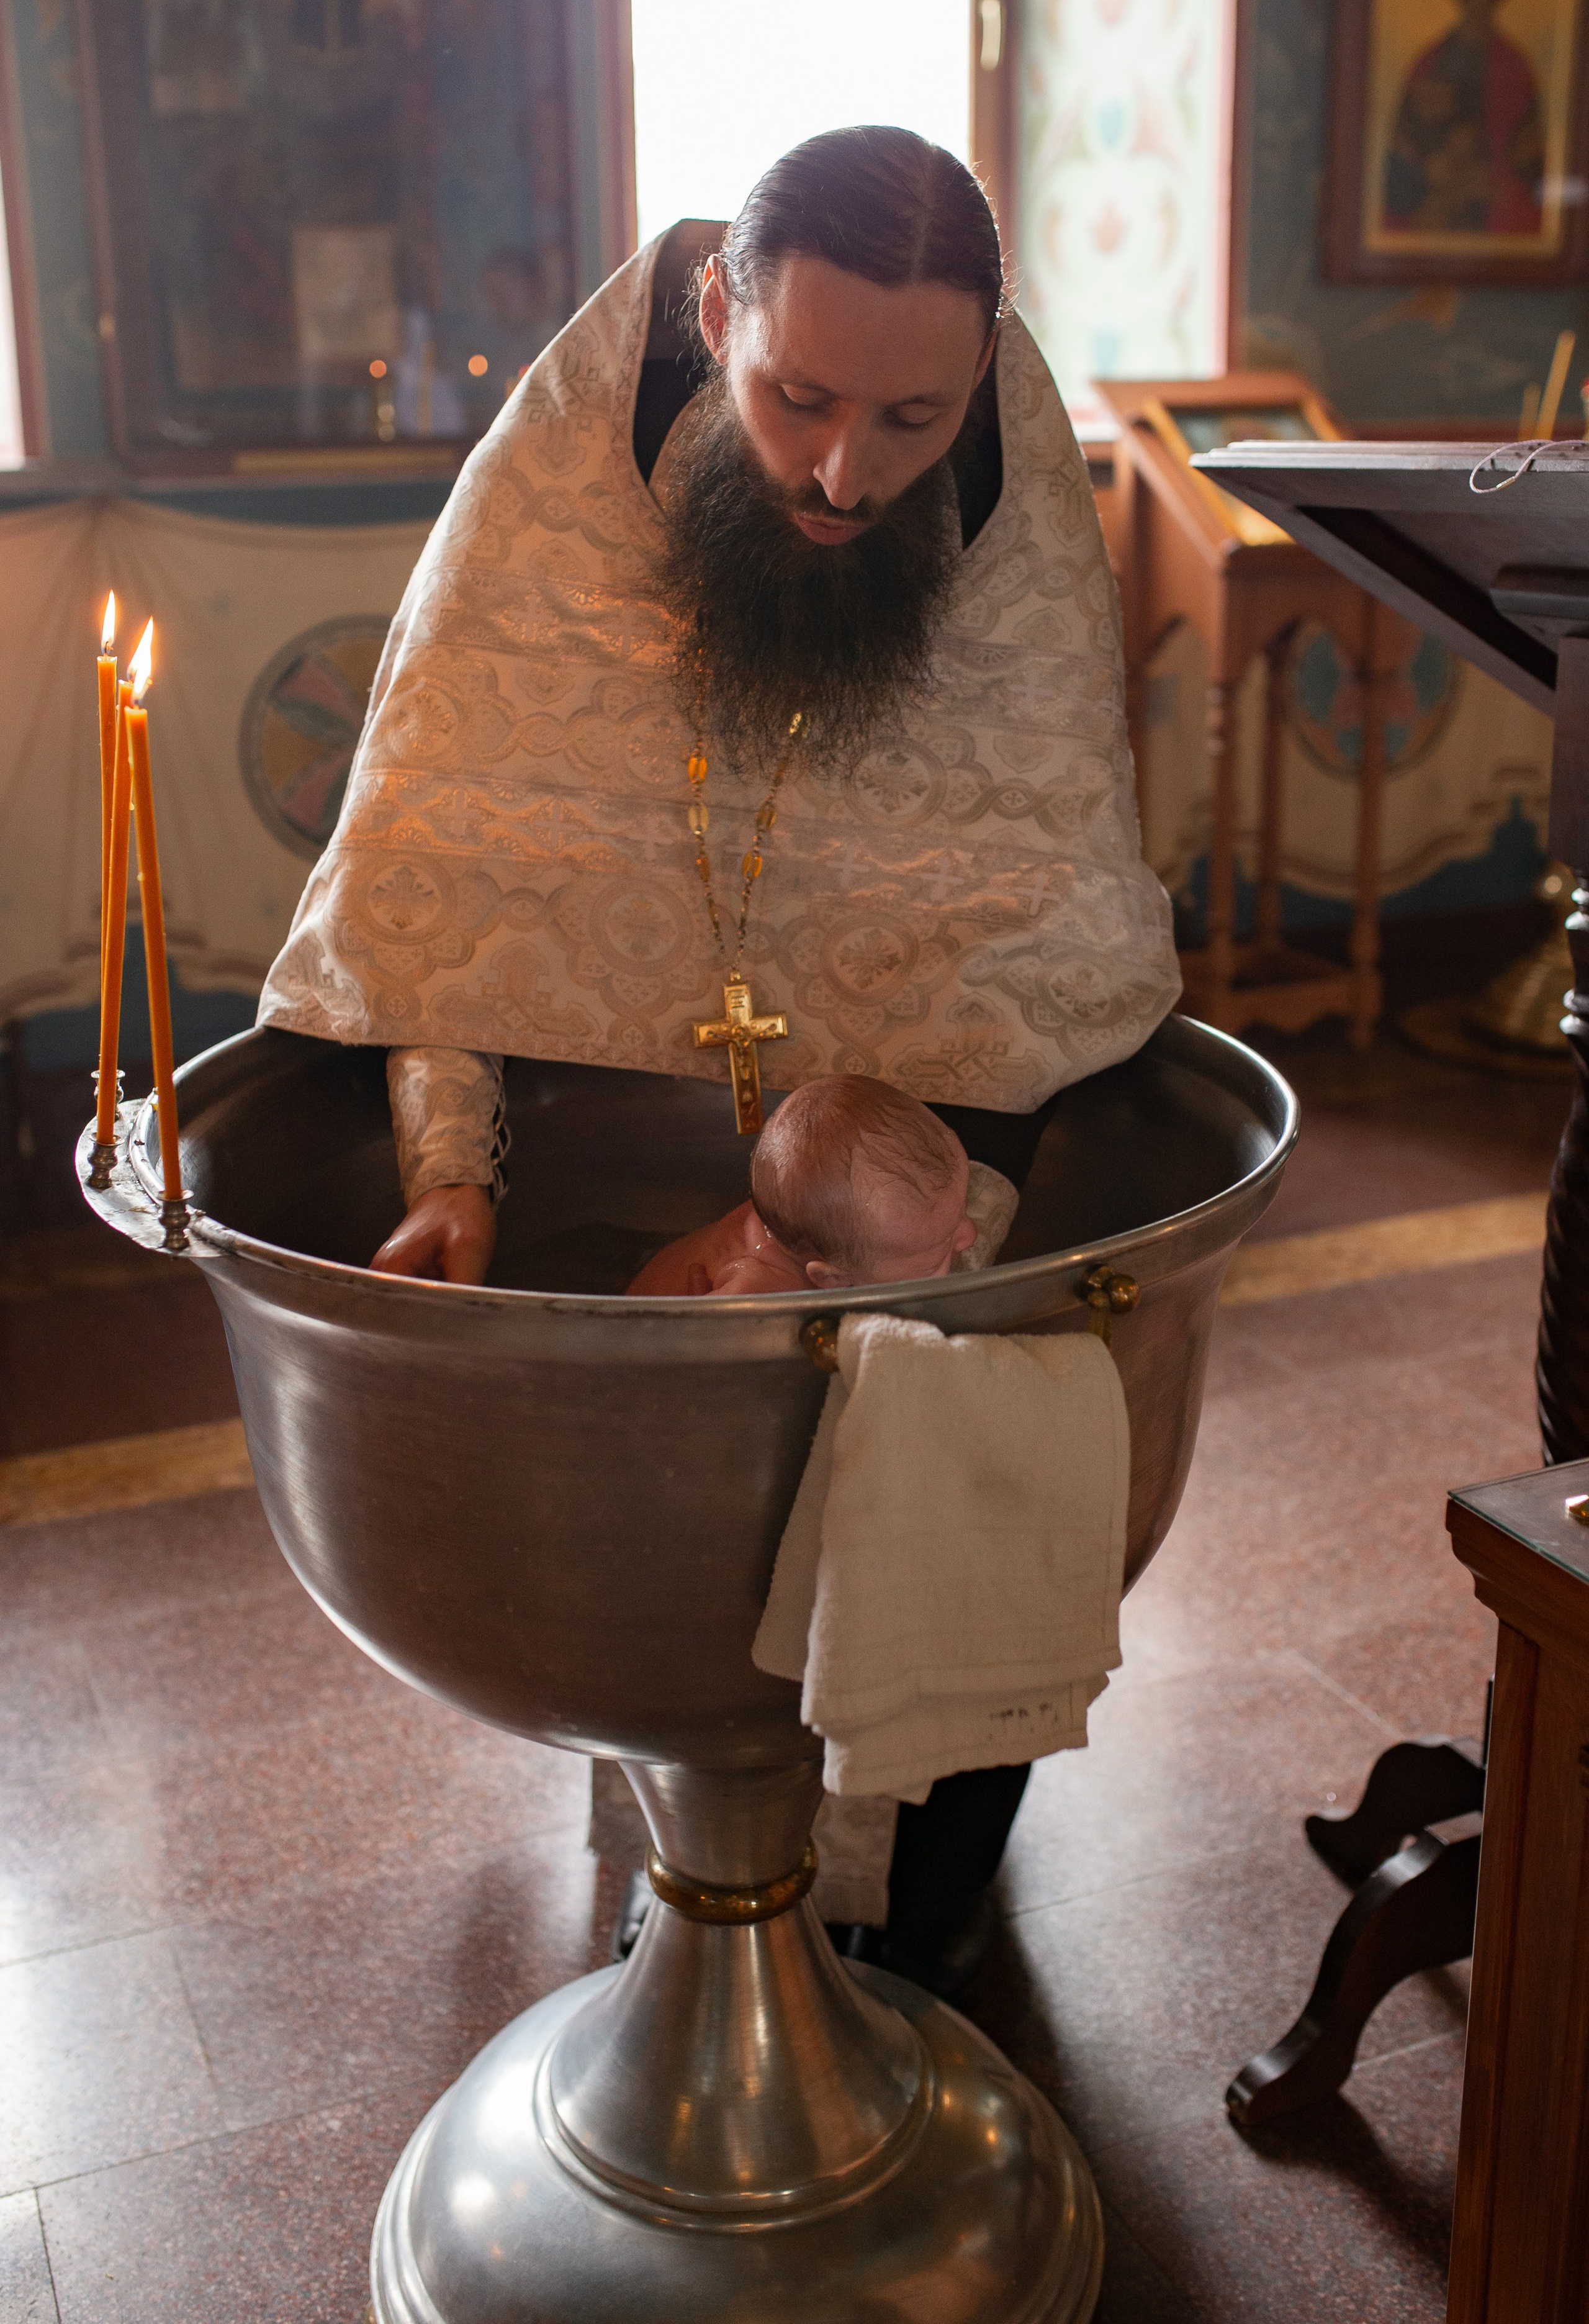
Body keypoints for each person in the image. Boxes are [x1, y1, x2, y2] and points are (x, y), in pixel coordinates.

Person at [259, 125, 1179, 1987]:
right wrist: (451, 1163)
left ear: (981, 366)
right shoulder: (564, 472)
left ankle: (903, 1889)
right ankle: (690, 1861)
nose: (849, 472)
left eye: (914, 416)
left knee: (926, 1632)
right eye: (800, 397)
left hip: (924, 1189)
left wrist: (919, 1253)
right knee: (672, 1586)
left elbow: (1029, 921)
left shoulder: (1003, 495)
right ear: (714, 311)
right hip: (635, 1198)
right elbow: (460, 855)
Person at [628, 1074, 1011, 1296]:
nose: (970, 1235)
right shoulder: (763, 1290)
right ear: (833, 1279)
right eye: (939, 1247)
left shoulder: (802, 1219)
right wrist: (703, 1329)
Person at [1384, 0, 1543, 238]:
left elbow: (1537, 173)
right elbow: (1400, 164)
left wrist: (1496, 186)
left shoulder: (1516, 68)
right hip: (1434, 218)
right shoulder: (1429, 63)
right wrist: (1433, 180)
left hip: (1496, 227)